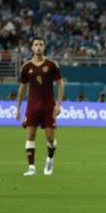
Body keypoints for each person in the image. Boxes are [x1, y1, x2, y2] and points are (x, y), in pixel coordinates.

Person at [15, 38, 65, 177]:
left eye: (41, 45)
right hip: (32, 106)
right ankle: (32, 168)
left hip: (49, 106)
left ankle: (50, 159)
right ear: (32, 48)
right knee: (30, 135)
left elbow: (60, 84)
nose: (38, 47)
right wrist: (18, 108)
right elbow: (22, 88)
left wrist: (59, 104)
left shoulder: (52, 65)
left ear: (44, 47)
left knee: (50, 138)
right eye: (36, 45)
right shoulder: (26, 67)